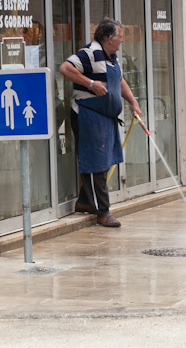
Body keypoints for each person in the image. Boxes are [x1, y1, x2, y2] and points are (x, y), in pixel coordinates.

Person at [59, 18, 142, 227]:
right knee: (95, 162)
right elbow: (65, 68)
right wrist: (90, 83)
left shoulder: (112, 58)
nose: (122, 40)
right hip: (88, 115)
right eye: (121, 36)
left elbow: (120, 81)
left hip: (105, 117)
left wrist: (132, 101)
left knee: (103, 160)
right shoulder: (89, 53)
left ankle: (86, 201)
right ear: (109, 37)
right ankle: (103, 212)